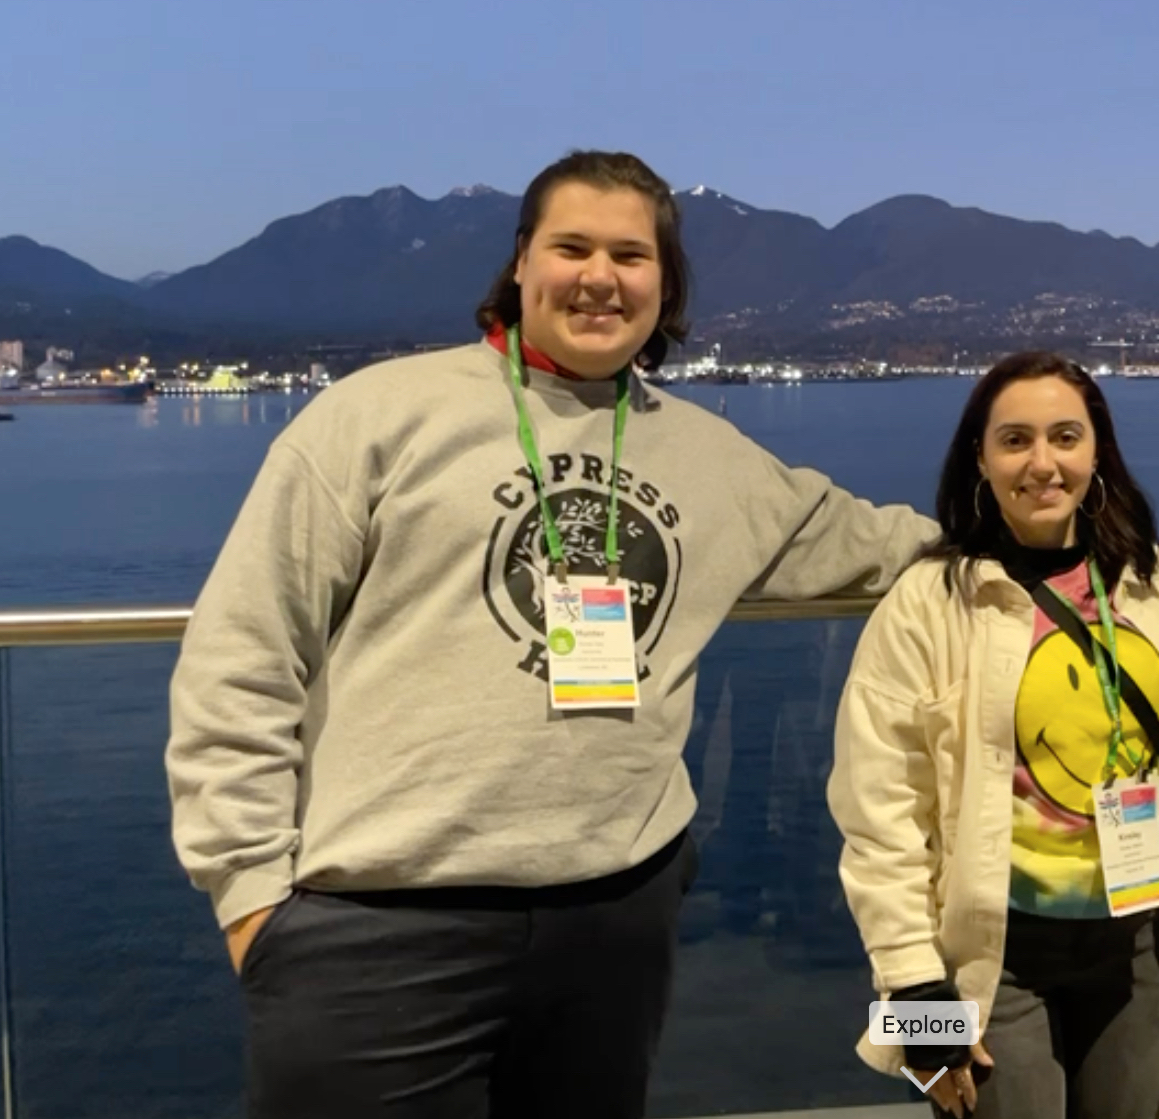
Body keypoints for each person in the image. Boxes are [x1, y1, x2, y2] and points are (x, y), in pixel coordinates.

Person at [166, 150, 936, 1119]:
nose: (600, 276)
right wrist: (249, 898)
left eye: (631, 254)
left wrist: (1054, 542)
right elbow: (241, 654)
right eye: (571, 246)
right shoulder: (376, 416)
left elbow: (875, 543)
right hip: (376, 925)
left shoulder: (708, 457)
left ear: (665, 283)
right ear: (520, 263)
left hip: (616, 916)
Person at [828, 351, 1159, 1119]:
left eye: (1065, 436)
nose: (1043, 463)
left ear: (1099, 452)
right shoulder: (928, 603)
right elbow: (878, 812)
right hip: (988, 953)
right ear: (980, 459)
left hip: (1142, 943)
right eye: (1015, 440)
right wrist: (915, 1000)